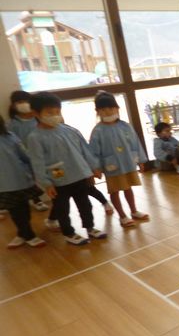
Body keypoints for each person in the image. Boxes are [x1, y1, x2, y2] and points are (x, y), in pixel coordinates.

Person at [27, 92, 106, 245]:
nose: (55, 116)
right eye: (49, 113)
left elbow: (85, 150)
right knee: (62, 209)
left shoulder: (70, 130)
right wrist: (46, 183)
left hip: (79, 176)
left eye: (57, 111)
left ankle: (90, 227)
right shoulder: (35, 137)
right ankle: (69, 233)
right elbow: (37, 163)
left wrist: (93, 167)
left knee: (85, 205)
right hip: (58, 181)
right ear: (36, 113)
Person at [90, 91, 149, 227]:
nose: (108, 111)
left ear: (117, 108)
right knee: (115, 191)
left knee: (128, 188)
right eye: (103, 109)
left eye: (111, 108)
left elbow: (135, 143)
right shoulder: (98, 131)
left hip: (128, 163)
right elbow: (93, 152)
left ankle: (134, 211)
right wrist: (96, 167)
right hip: (112, 167)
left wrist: (141, 160)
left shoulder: (125, 126)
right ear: (97, 112)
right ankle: (122, 216)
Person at [0, 115, 46, 249]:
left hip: (21, 179)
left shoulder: (10, 137)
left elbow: (25, 156)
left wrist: (35, 171)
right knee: (15, 210)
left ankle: (22, 234)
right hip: (4, 185)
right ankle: (29, 235)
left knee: (24, 208)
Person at [7, 90, 49, 212]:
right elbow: (12, 142)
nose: (24, 104)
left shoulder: (38, 119)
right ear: (13, 105)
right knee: (31, 179)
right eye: (20, 102)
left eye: (26, 101)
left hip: (44, 153)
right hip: (25, 157)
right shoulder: (12, 124)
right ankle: (37, 200)